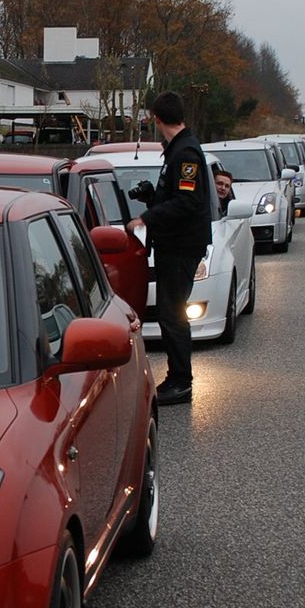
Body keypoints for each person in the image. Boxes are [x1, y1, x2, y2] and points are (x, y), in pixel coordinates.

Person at [125, 91, 212, 405]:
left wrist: (146, 218)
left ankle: (180, 381)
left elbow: (188, 201)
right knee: (169, 313)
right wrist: (153, 197)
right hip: (173, 244)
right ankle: (177, 377)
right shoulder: (178, 149)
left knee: (173, 314)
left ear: (157, 119)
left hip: (180, 246)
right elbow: (177, 196)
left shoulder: (186, 153)